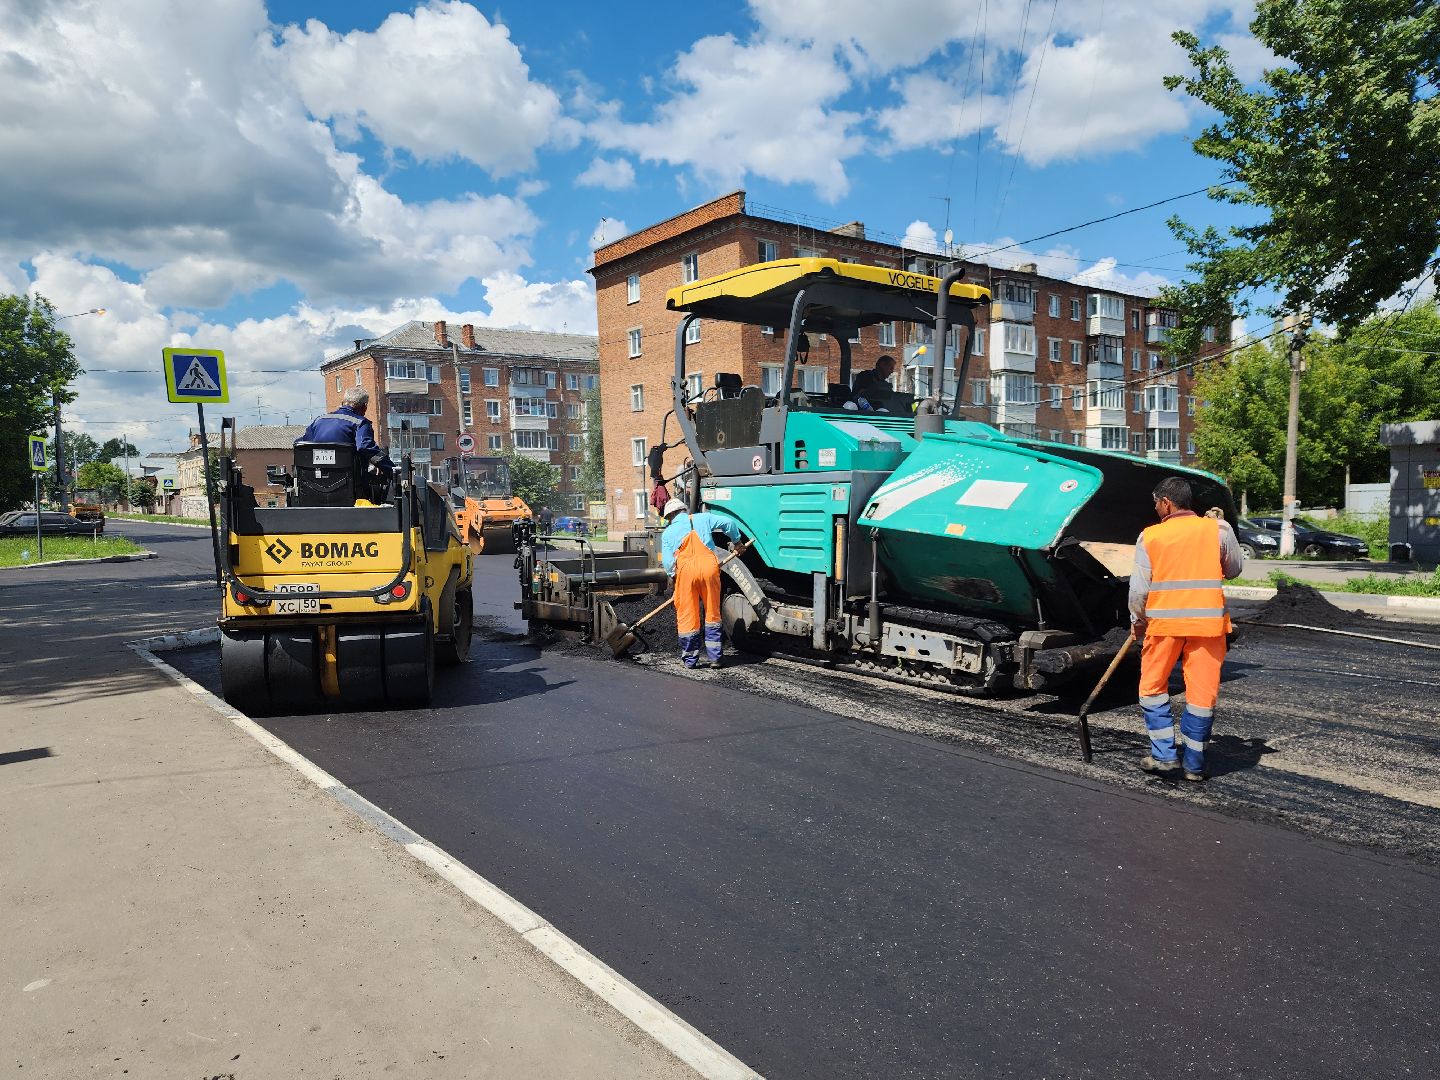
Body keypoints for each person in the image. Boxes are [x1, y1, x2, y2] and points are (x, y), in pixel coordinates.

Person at [1129, 477, 1244, 781]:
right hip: (1208, 627)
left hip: (1164, 626)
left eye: (1155, 502)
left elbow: (1139, 592)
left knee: (1152, 689)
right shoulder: (1219, 529)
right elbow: (1233, 570)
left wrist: (1137, 622)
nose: (1154, 508)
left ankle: (1165, 757)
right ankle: (1194, 765)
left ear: (1166, 501)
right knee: (1202, 696)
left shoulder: (1150, 537)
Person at [659, 497, 742, 669]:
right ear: (683, 510)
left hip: (686, 572)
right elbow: (729, 523)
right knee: (712, 613)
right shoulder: (703, 518)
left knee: (687, 615)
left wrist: (675, 578)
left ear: (671, 515)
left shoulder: (668, 533)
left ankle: (690, 660)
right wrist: (737, 542)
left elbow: (668, 563)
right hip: (709, 569)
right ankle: (716, 658)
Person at [298, 387, 395, 474]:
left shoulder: (319, 420)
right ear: (364, 407)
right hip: (351, 484)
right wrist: (391, 469)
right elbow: (365, 447)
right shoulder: (360, 423)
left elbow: (300, 444)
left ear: (343, 403)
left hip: (315, 483)